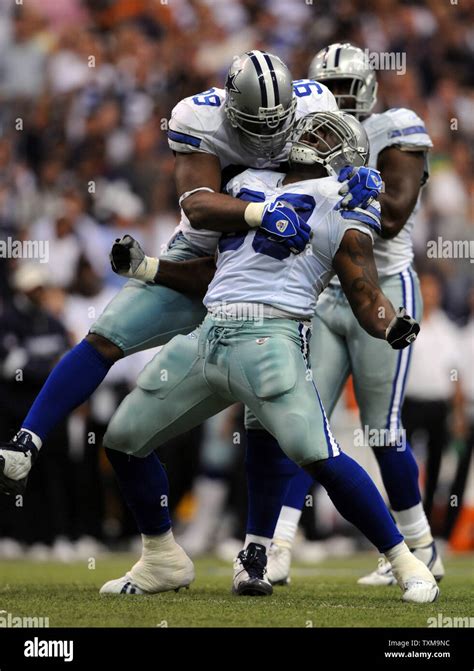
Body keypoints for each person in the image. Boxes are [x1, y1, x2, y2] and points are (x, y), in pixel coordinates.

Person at [0, 52, 382, 553]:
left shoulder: (315, 101)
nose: (268, 138)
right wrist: (262, 211)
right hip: (203, 260)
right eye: (254, 126)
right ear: (228, 110)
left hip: (271, 277)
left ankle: (260, 553)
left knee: (262, 418)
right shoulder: (198, 117)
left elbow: (340, 160)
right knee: (108, 335)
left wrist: (355, 178)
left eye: (278, 125)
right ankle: (28, 442)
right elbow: (199, 206)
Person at [99, 110, 438, 605]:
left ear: (345, 157)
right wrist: (150, 266)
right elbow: (203, 250)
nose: (313, 136)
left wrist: (390, 322)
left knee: (318, 455)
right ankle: (161, 557)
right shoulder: (246, 180)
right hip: (208, 334)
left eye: (329, 135)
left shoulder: (344, 199)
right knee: (123, 439)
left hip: (272, 339)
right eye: (313, 128)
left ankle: (407, 560)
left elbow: (364, 290)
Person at [245, 43, 444, 589]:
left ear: (368, 91)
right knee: (301, 426)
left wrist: (357, 185)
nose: (337, 101)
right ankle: (278, 547)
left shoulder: (395, 128)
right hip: (325, 293)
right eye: (327, 90)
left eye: (346, 90)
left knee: (382, 430)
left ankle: (422, 548)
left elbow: (397, 216)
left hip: (383, 292)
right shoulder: (302, 130)